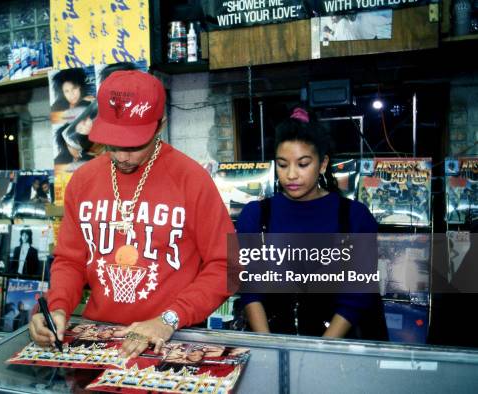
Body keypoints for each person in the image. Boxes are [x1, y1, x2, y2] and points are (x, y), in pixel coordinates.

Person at [30, 70, 234, 358]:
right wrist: (58, 308)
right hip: (99, 339)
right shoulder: (84, 180)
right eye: (113, 144)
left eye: (135, 145)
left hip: (171, 339)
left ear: (160, 125)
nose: (122, 156)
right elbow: (70, 261)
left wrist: (169, 319)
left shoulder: (191, 179)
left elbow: (227, 265)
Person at [237, 107, 388, 340]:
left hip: (337, 350)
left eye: (303, 163)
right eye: (282, 164)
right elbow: (249, 288)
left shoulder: (354, 218)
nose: (291, 175)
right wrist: (268, 346)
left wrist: (318, 352)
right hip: (272, 343)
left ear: (323, 163)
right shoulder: (255, 216)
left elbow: (356, 296)